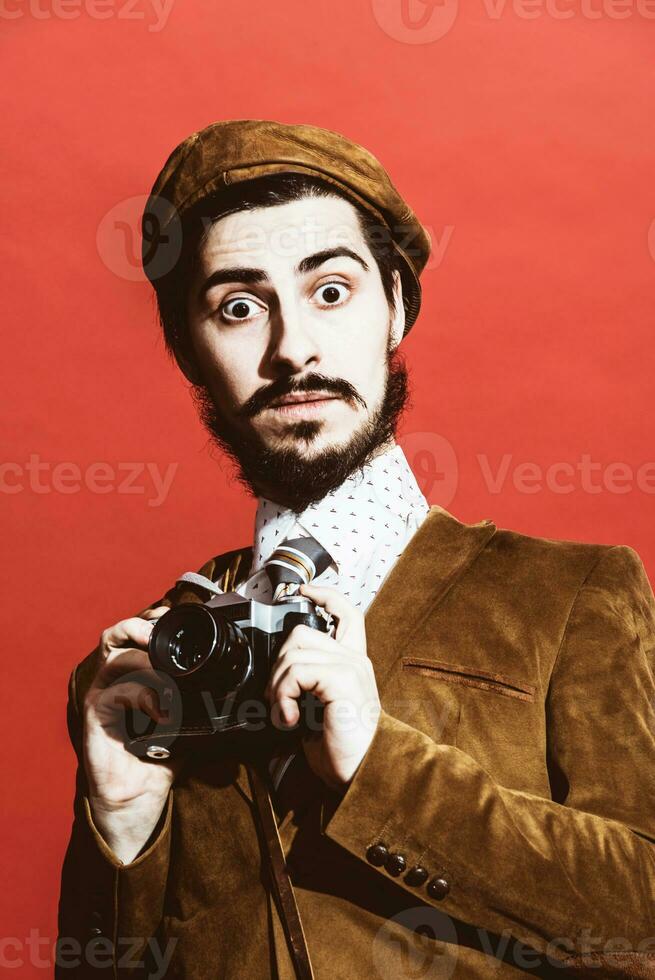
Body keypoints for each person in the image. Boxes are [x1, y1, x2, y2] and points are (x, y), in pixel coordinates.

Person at [56, 119, 655, 979]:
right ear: (191, 352)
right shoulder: (153, 668)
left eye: (330, 292)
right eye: (237, 306)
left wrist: (382, 768)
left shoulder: (571, 593)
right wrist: (121, 823)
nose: (292, 349)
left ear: (396, 308)